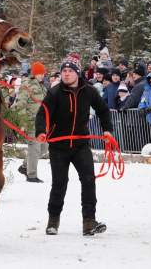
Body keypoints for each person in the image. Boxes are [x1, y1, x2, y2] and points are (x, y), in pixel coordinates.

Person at [35, 61, 113, 236]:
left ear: (77, 73)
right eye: (64, 71)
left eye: (70, 71)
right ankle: (53, 221)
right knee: (59, 183)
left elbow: (103, 110)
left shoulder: (89, 91)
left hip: (81, 145)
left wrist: (107, 129)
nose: (66, 74)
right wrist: (41, 131)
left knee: (88, 180)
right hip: (58, 146)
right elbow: (42, 114)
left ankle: (89, 221)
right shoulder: (54, 93)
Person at [15, 61, 48, 183]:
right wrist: (23, 122)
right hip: (31, 121)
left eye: (43, 73)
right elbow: (20, 105)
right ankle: (32, 175)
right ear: (34, 74)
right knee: (34, 148)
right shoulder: (27, 85)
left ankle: (25, 166)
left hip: (41, 123)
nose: (41, 76)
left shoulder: (42, 86)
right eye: (39, 73)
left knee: (44, 148)